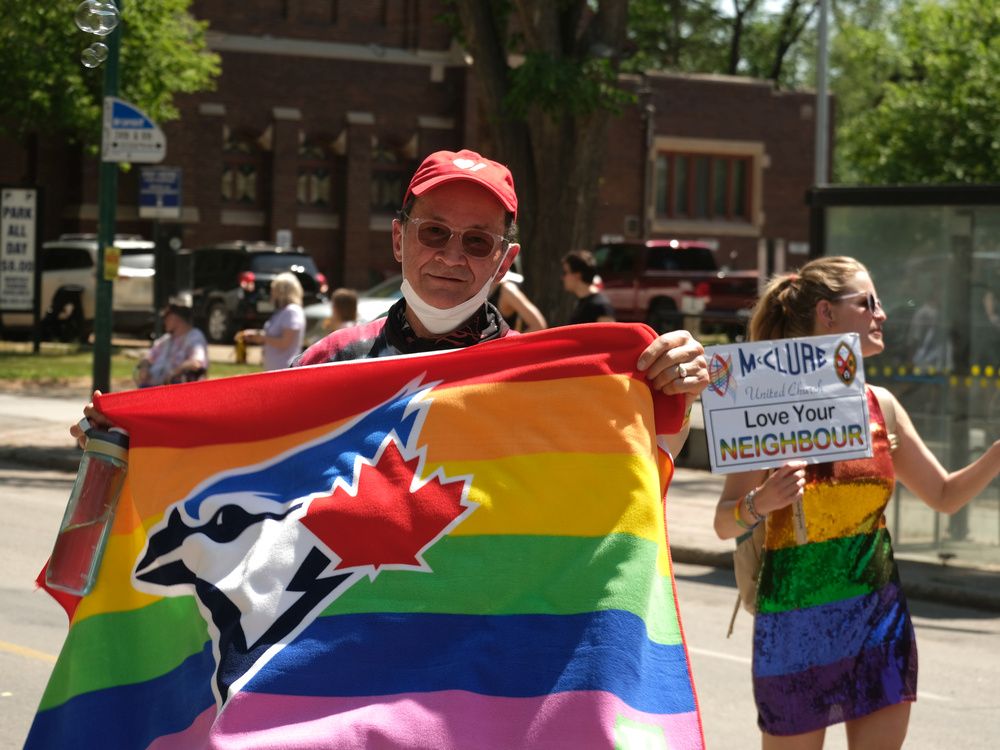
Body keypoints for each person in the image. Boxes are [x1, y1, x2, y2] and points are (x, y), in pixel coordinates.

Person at [76, 148, 707, 480]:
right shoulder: (328, 360)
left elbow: (626, 491)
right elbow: (240, 465)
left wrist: (665, 398)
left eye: (478, 241)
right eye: (434, 232)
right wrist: (134, 448)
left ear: (505, 260)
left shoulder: (548, 385)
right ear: (397, 240)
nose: (451, 256)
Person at [712, 256, 1000, 749]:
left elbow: (945, 495)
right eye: (867, 302)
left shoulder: (880, 404)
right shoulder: (764, 402)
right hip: (794, 628)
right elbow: (724, 520)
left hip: (877, 620)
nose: (881, 313)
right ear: (827, 313)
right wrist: (761, 501)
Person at [133, 295, 209, 387]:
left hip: (177, 388)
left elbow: (197, 363)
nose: (164, 321)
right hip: (154, 386)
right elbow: (148, 357)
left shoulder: (195, 336)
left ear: (174, 317)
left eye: (166, 317)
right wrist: (144, 368)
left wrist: (174, 372)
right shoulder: (166, 339)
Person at [236, 272, 306, 371]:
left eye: (274, 288)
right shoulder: (282, 311)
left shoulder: (292, 311)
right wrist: (257, 336)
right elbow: (272, 337)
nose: (271, 292)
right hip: (275, 369)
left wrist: (263, 338)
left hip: (285, 370)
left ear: (282, 291)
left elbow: (285, 342)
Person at [561, 249, 615, 324]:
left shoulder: (600, 306)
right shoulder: (581, 303)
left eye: (565, 272)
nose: (563, 278)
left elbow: (610, 334)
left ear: (577, 275)